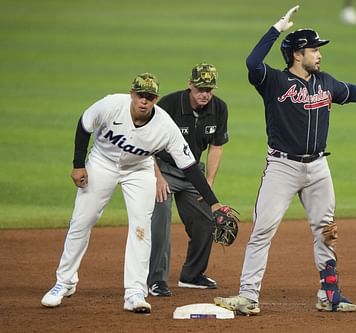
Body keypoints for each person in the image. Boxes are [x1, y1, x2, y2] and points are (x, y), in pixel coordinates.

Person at [214, 6, 356, 315]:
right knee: (262, 231)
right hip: (282, 167)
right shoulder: (273, 81)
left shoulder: (325, 82)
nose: (319, 54)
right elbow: (252, 62)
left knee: (326, 230)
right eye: (313, 49)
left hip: (318, 168)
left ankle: (328, 293)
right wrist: (275, 29)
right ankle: (248, 295)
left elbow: (353, 91)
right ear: (297, 54)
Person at [41, 73, 227, 314]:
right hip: (102, 163)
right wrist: (78, 164)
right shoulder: (111, 105)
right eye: (140, 95)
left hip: (139, 170)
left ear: (155, 99)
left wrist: (213, 203)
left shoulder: (165, 126)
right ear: (132, 94)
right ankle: (63, 283)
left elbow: (190, 167)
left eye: (149, 97)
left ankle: (135, 293)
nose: (144, 101)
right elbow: (85, 124)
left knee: (141, 229)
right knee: (81, 221)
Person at [147, 63, 229, 296]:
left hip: (193, 173)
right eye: (200, 88)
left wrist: (209, 182)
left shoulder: (219, 108)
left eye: (209, 89)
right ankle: (156, 280)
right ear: (190, 85)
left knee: (205, 221)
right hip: (163, 170)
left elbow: (216, 147)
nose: (205, 94)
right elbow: (147, 145)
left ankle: (192, 275)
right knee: (161, 222)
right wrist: (158, 178)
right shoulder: (168, 106)